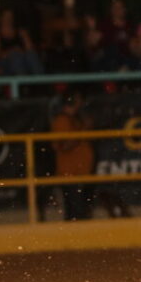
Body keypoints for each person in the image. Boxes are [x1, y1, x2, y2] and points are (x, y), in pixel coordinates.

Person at [51, 91, 95, 221]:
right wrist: (83, 131)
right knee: (75, 211)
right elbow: (64, 146)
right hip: (70, 174)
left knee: (81, 210)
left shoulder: (76, 119)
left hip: (81, 172)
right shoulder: (62, 121)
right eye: (78, 101)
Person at [0, 9, 43, 75]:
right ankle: (22, 82)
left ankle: (40, 80)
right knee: (15, 57)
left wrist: (25, 38)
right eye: (6, 17)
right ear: (1, 18)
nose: (8, 19)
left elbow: (30, 49)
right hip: (7, 62)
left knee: (31, 56)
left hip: (23, 60)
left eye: (10, 17)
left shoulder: (20, 32)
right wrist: (12, 51)